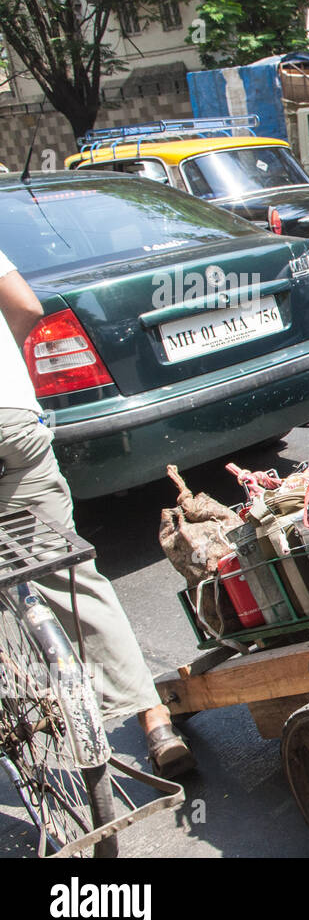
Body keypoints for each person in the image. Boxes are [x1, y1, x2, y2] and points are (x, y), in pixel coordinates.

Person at [0, 249, 194, 778]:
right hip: (11, 420)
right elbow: (23, 304)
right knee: (67, 574)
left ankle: (19, 706)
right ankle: (154, 719)